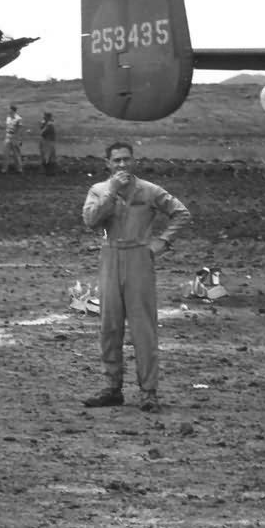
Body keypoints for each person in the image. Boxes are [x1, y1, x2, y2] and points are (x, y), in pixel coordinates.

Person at [81, 141, 191, 412]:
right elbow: (91, 221)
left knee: (143, 329)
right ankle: (112, 387)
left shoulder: (149, 190)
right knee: (110, 326)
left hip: (139, 258)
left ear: (134, 161)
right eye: (116, 160)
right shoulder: (99, 190)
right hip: (109, 256)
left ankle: (148, 392)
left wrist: (162, 242)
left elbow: (181, 213)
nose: (122, 165)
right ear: (107, 163)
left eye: (126, 159)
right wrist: (112, 193)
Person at [2, 104, 25, 173]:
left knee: (16, 154)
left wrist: (20, 139)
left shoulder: (18, 118)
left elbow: (20, 130)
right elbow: (7, 127)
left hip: (15, 137)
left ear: (13, 110)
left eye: (9, 109)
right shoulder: (8, 118)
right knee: (6, 154)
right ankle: (4, 169)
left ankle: (19, 169)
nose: (8, 111)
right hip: (8, 136)